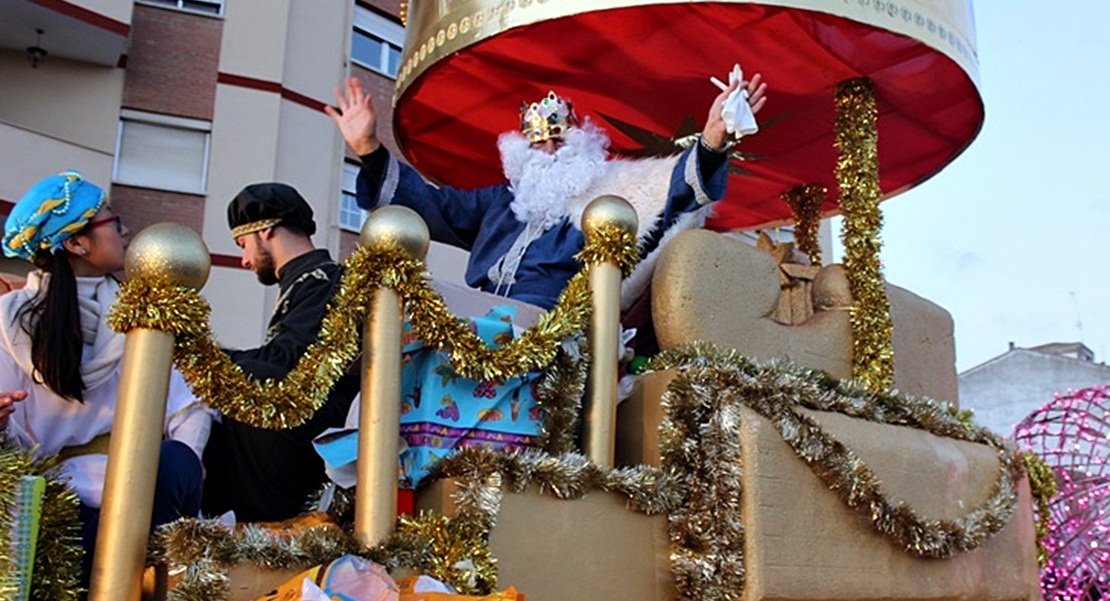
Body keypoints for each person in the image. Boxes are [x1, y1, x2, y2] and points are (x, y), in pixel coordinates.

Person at [327, 74, 767, 310]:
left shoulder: (612, 191)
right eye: (539, 143)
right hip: (475, 313)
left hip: (551, 324)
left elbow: (673, 192)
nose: (550, 151)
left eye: (560, 141)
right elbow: (432, 207)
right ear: (522, 149)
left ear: (583, 142)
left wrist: (712, 140)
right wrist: (368, 149)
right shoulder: (501, 202)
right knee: (390, 305)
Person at [0, 170, 212, 584]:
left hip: (149, 491)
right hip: (56, 509)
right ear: (77, 242)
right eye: (113, 220)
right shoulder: (11, 322)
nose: (126, 229)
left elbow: (191, 408)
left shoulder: (145, 315)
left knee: (174, 461)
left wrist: (171, 475)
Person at [201, 183, 359, 523]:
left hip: (319, 431)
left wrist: (203, 362)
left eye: (243, 244)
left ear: (265, 229)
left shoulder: (324, 280)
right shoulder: (303, 283)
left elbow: (288, 363)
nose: (244, 260)